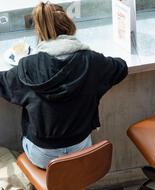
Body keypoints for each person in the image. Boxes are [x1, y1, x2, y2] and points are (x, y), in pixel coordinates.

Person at [0, 2, 128, 169]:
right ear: (70, 27)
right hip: (81, 148)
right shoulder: (91, 61)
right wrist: (95, 61)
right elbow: (121, 67)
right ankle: (71, 186)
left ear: (39, 31)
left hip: (43, 156)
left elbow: (4, 83)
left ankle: (57, 187)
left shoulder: (28, 67)